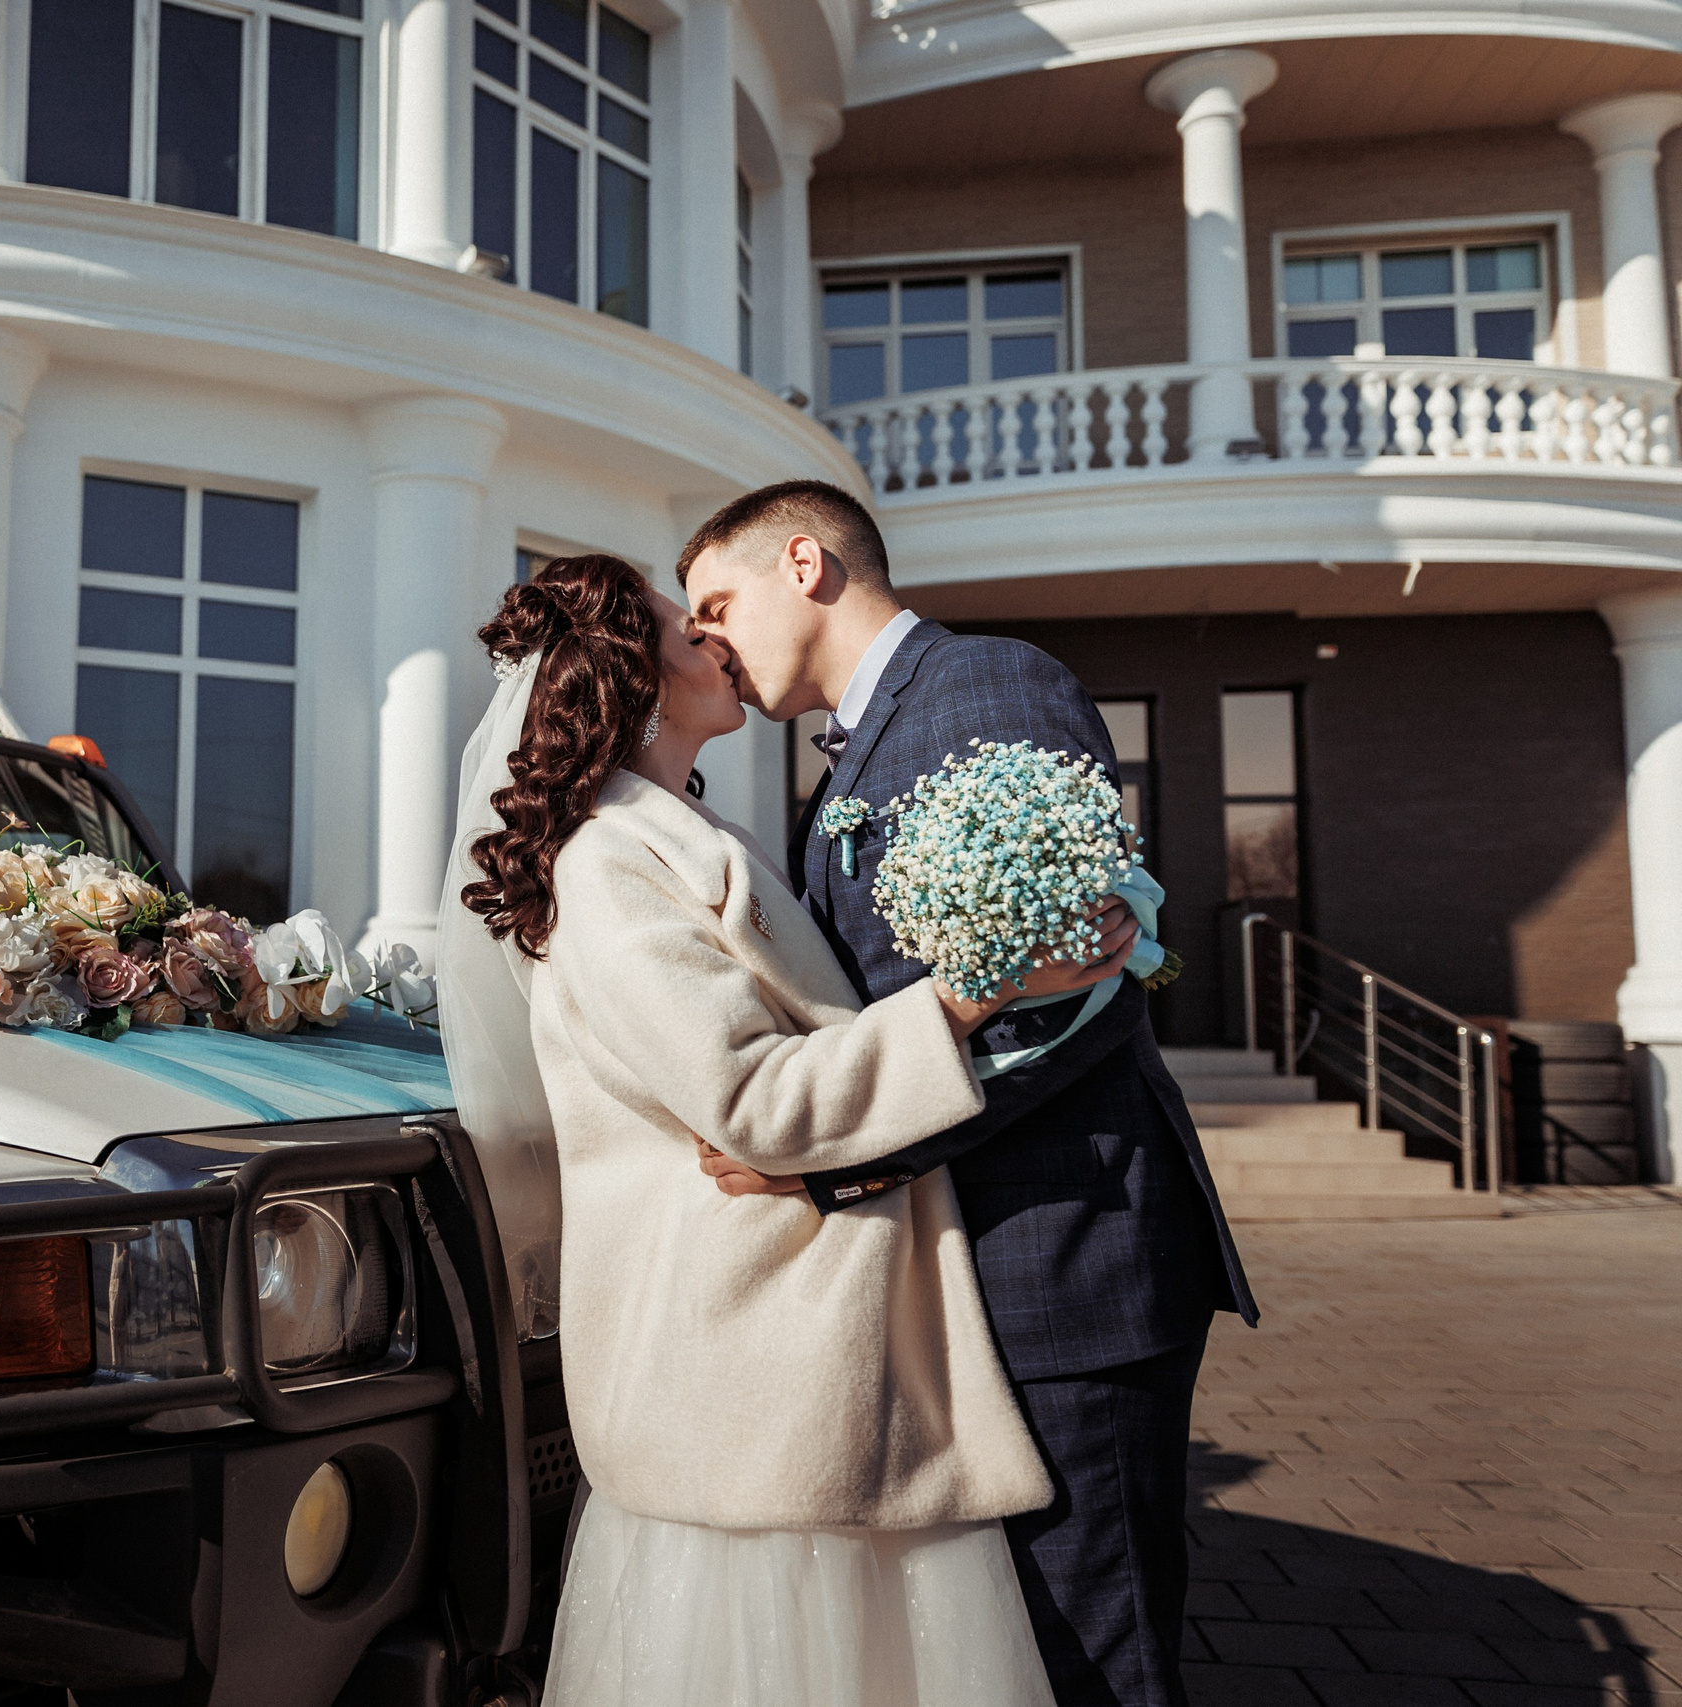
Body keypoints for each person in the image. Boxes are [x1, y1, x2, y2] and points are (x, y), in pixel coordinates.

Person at [440, 554, 1136, 1707]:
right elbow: (753, 1101)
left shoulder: (685, 828)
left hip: (800, 1338)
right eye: (685, 627)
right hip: (753, 1352)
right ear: (631, 677)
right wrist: (974, 993)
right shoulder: (610, 861)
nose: (714, 640)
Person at [678, 482, 1261, 1707]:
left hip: (1064, 1254)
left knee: (1094, 1656)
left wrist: (825, 1161)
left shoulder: (986, 686)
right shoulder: (855, 750)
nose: (707, 640)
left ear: (805, 563)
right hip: (987, 1255)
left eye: (715, 602)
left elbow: (1067, 992)